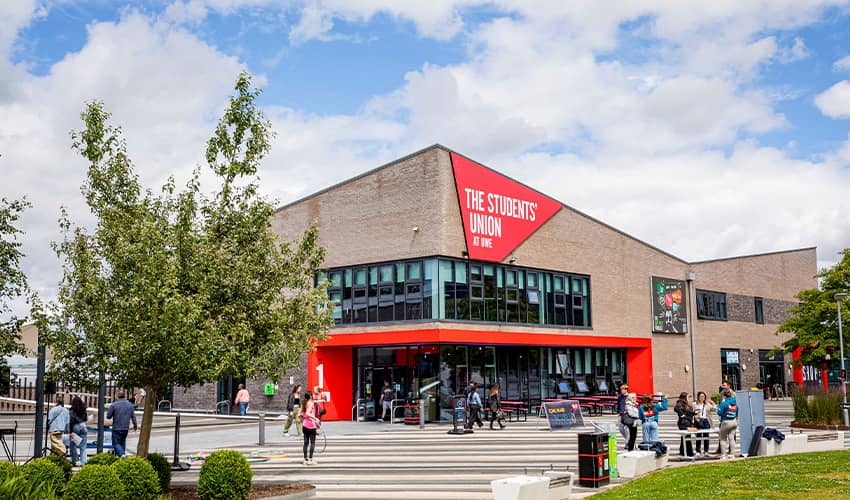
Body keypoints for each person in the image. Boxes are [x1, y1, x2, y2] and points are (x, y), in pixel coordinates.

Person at [107, 391, 138, 457]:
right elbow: (133, 416)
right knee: (123, 443)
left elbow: (108, 416)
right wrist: (135, 425)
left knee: (116, 443)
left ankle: (122, 455)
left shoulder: (114, 405)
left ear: (117, 396)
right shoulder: (130, 405)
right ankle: (122, 459)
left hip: (116, 427)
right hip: (126, 428)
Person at [717, 389, 739, 459]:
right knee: (731, 438)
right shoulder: (735, 403)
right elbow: (737, 413)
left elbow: (719, 413)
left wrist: (721, 405)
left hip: (726, 422)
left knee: (723, 438)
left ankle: (723, 455)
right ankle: (732, 454)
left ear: (724, 396)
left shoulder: (724, 403)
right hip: (734, 422)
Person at [300, 392, 321, 465]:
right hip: (311, 425)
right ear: (311, 396)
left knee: (306, 442)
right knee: (312, 442)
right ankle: (311, 459)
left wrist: (302, 421)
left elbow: (301, 414)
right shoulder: (311, 403)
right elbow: (308, 413)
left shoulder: (303, 403)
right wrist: (316, 419)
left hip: (304, 425)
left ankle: (305, 459)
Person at [693, 391, 715, 457]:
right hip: (698, 420)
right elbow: (692, 413)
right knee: (698, 436)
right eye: (701, 396)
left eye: (703, 396)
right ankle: (698, 451)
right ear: (698, 397)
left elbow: (714, 409)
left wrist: (713, 403)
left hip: (706, 421)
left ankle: (706, 451)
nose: (702, 398)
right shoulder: (695, 404)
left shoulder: (707, 404)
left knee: (706, 436)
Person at [674, 392, 696, 457]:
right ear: (684, 397)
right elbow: (676, 408)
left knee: (685, 438)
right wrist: (682, 414)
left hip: (688, 422)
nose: (689, 398)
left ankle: (683, 452)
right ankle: (688, 452)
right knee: (686, 437)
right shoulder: (680, 403)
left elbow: (689, 412)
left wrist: (694, 413)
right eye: (688, 397)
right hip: (683, 423)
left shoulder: (686, 404)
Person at [69, 396, 89, 465]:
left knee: (73, 445)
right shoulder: (84, 409)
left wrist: (70, 432)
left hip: (75, 427)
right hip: (83, 426)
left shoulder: (72, 411)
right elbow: (86, 419)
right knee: (83, 446)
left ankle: (75, 460)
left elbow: (71, 422)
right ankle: (84, 462)